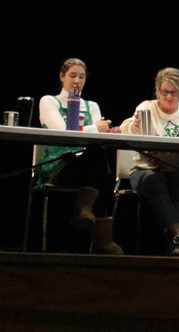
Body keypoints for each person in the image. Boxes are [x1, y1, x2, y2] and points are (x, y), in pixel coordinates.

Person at [37, 57, 122, 255]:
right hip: (59, 163)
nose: (77, 80)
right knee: (95, 160)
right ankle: (101, 237)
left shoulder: (91, 106)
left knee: (95, 154)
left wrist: (100, 131)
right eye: (72, 75)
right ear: (62, 76)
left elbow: (98, 138)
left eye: (81, 77)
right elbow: (63, 133)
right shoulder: (49, 101)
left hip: (86, 164)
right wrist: (95, 128)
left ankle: (85, 211)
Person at [119, 67, 179, 256]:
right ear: (157, 91)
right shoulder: (146, 107)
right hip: (145, 169)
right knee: (156, 182)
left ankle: (177, 246)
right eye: (165, 91)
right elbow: (126, 130)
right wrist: (134, 126)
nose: (168, 96)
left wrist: (173, 149)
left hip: (177, 169)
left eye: (174, 92)